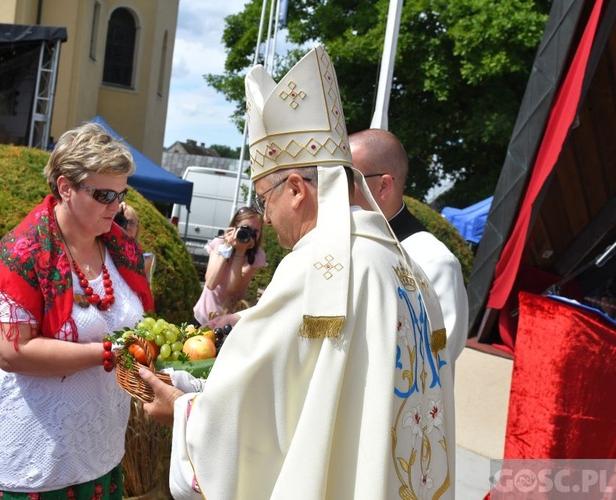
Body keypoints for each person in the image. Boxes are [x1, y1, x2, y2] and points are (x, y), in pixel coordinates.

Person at [139, 46, 455, 499]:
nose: (264, 218)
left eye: (264, 198)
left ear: (295, 190)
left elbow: (254, 409)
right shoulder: (403, 264)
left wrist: (183, 410)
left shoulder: (320, 269)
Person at [0, 122, 154, 499]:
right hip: (27, 458)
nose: (116, 206)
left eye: (121, 194)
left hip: (95, 452)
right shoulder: (22, 252)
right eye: (103, 195)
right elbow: (10, 352)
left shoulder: (120, 248)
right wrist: (106, 354)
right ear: (65, 187)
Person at [349, 128, 469, 370]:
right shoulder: (341, 246)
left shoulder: (432, 261)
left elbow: (433, 360)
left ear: (383, 186)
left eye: (348, 179)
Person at [193, 206, 267, 325]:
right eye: (246, 228)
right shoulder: (219, 244)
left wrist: (240, 252)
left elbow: (232, 289)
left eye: (255, 231)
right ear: (233, 228)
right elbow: (211, 283)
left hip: (228, 320)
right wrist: (226, 249)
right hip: (203, 316)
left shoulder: (256, 256)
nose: (250, 234)